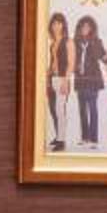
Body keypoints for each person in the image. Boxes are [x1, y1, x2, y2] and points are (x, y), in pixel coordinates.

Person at [71, 7, 107, 146]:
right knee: (82, 109)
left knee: (92, 108)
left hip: (93, 79)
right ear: (79, 28)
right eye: (83, 26)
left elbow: (104, 58)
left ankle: (94, 139)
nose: (85, 28)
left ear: (92, 28)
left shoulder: (96, 41)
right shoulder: (74, 42)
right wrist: (75, 67)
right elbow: (71, 59)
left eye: (88, 26)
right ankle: (84, 137)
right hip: (80, 79)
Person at [44, 11, 70, 152]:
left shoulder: (68, 41)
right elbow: (53, 62)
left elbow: (71, 63)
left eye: (59, 23)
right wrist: (47, 76)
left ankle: (62, 141)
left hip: (62, 79)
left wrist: (66, 81)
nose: (56, 26)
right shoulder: (53, 43)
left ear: (63, 25)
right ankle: (58, 136)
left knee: (60, 110)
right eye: (54, 23)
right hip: (52, 78)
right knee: (53, 109)